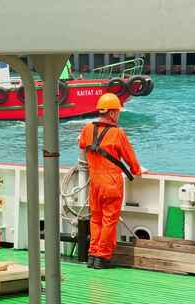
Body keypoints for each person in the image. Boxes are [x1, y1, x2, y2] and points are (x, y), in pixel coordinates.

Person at [78, 93, 143, 269]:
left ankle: (92, 254)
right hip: (112, 184)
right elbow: (130, 159)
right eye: (118, 112)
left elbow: (82, 144)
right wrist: (138, 170)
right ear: (113, 113)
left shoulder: (87, 129)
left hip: (95, 184)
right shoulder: (118, 133)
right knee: (109, 220)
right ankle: (102, 257)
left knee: (96, 219)